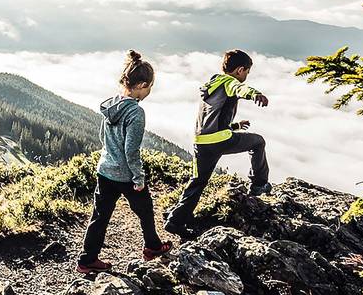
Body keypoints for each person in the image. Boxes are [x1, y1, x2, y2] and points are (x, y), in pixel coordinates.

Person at [77, 50, 173, 274]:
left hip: (105, 169)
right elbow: (131, 151)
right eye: (149, 87)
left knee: (99, 216)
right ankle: (152, 247)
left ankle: (87, 260)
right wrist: (138, 178)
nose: (149, 91)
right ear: (141, 85)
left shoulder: (111, 105)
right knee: (146, 209)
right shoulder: (135, 113)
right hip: (125, 174)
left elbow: (103, 138)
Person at [164, 48, 271, 239]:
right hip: (219, 140)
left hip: (201, 141)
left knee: (198, 182)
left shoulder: (213, 84)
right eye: (247, 72)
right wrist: (255, 94)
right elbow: (240, 89)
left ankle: (175, 220)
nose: (246, 75)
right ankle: (259, 185)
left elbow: (213, 118)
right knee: (258, 142)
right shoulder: (231, 82)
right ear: (240, 70)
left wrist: (235, 125)